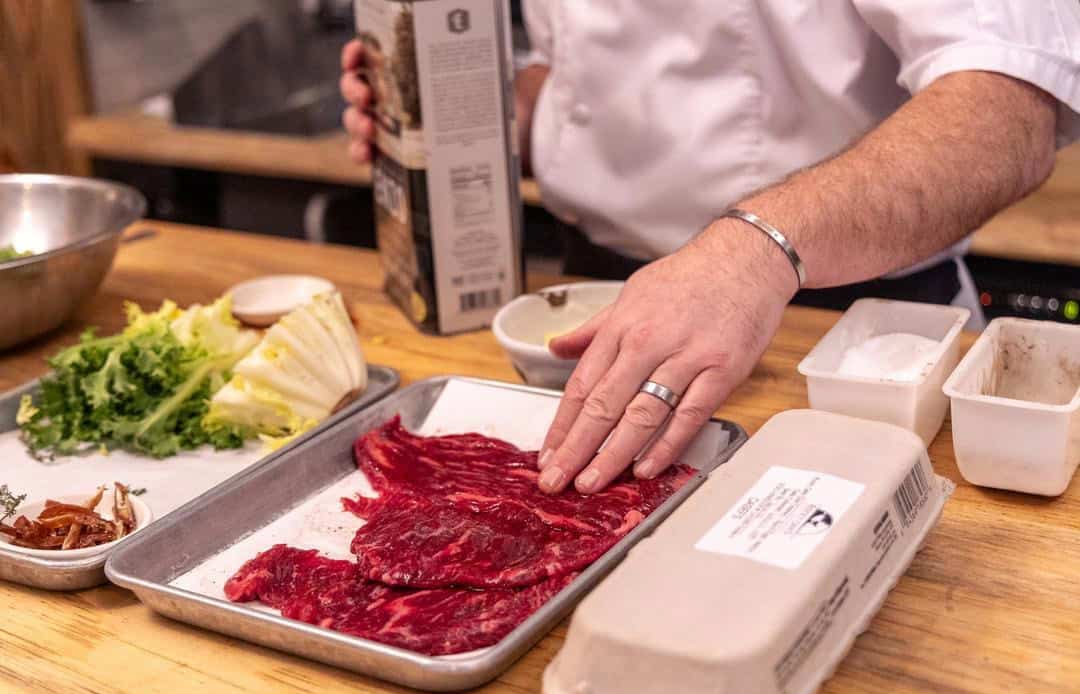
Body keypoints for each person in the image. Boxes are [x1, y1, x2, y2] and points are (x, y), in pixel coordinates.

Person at [340, 2, 1080, 497]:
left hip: (845, 340)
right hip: (589, 325)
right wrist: (467, 118)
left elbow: (1007, 104)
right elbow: (591, 92)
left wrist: (752, 251)